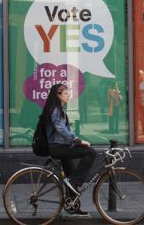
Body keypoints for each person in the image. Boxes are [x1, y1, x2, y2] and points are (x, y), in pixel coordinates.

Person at [41, 83, 97, 217]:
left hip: (61, 147)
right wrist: (77, 140)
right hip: (58, 148)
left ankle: (72, 207)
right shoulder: (55, 109)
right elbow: (61, 130)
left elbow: (63, 129)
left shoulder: (58, 108)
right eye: (65, 93)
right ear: (58, 95)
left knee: (71, 175)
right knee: (91, 152)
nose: (68, 95)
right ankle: (74, 182)